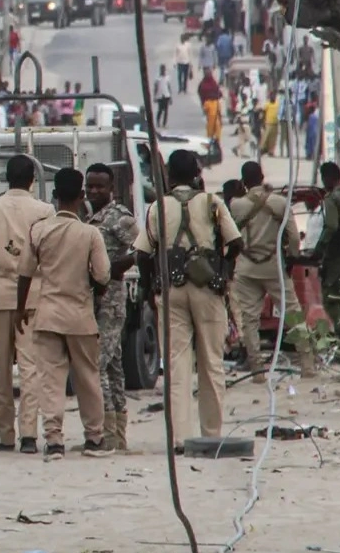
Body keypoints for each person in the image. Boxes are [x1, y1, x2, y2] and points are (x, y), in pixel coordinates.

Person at [134, 150, 242, 453]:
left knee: (176, 363)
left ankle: (179, 439)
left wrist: (149, 289)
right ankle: (211, 434)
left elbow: (143, 253)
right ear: (197, 173)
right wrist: (224, 275)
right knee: (211, 362)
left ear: (169, 175)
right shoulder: (212, 203)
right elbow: (236, 243)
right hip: (208, 287)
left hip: (171, 290)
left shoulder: (158, 207)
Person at [16, 167, 114, 461]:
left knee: (50, 380)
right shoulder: (90, 233)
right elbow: (103, 275)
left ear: (55, 196)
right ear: (82, 196)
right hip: (80, 317)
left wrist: (21, 308)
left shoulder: (39, 230)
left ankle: (55, 441)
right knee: (88, 378)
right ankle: (94, 438)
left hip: (47, 314)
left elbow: (24, 273)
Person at [0, 154, 54, 454]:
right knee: (31, 368)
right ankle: (29, 434)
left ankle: (6, 435)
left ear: (6, 178)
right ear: (32, 179)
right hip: (33, 296)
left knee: (0, 369)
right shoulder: (45, 211)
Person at [228, 162, 315, 381]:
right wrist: (291, 257)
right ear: (262, 176)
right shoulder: (279, 203)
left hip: (246, 267)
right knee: (293, 313)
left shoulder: (236, 205)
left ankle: (257, 369)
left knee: (249, 318)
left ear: (244, 182)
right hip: (273, 265)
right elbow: (293, 238)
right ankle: (307, 365)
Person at [84, 163, 139, 450]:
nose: (94, 191)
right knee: (114, 366)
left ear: (111, 189)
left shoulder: (118, 217)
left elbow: (143, 248)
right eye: (90, 185)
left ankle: (106, 433)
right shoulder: (88, 216)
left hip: (111, 301)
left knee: (97, 364)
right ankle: (118, 436)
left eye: (99, 186)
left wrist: (115, 268)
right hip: (94, 299)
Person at [314, 161, 340, 353]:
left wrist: (319, 249)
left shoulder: (332, 199)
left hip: (337, 254)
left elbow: (330, 226)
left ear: (328, 178)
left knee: (331, 298)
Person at [198, 68, 223, 145]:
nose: (209, 74)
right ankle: (209, 138)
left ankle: (217, 140)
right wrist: (203, 104)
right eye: (207, 73)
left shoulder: (213, 82)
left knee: (218, 123)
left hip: (215, 103)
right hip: (208, 104)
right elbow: (200, 93)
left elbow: (218, 91)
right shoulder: (203, 83)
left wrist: (218, 95)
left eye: (209, 73)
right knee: (210, 122)